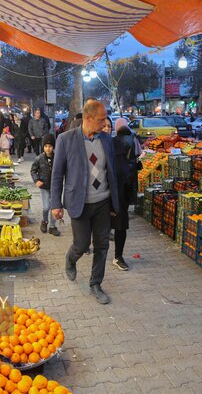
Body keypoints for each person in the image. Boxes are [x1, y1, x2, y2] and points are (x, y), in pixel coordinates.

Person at [51, 100, 119, 305]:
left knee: (102, 246)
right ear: (88, 118)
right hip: (79, 202)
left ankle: (96, 284)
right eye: (100, 120)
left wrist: (116, 203)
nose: (104, 123)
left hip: (103, 202)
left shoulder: (107, 140)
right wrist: (56, 204)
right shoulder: (65, 139)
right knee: (81, 244)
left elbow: (112, 172)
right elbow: (57, 174)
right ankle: (71, 259)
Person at [111, 118, 141, 271]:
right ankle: (118, 256)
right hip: (125, 189)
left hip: (110, 190)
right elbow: (137, 160)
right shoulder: (133, 140)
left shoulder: (111, 143)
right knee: (120, 225)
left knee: (111, 223)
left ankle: (108, 254)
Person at [31, 134, 60, 237]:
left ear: (53, 147)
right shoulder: (39, 158)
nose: (48, 148)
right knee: (46, 207)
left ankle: (52, 226)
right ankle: (44, 221)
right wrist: (36, 180)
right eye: (46, 146)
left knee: (54, 207)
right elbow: (33, 170)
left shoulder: (57, 158)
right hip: (44, 187)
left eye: (50, 146)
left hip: (55, 187)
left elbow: (62, 170)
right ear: (43, 147)